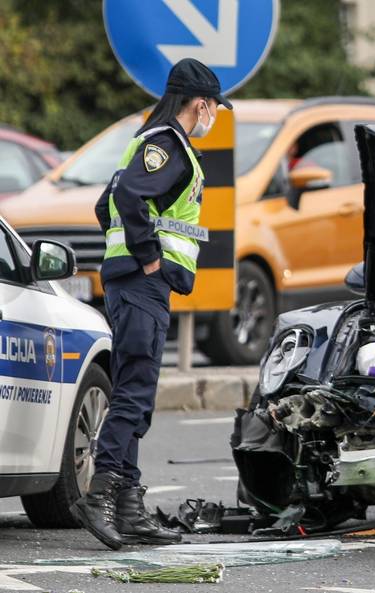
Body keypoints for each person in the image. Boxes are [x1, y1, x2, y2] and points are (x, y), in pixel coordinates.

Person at [71, 58, 231, 550]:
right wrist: (148, 261)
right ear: (199, 104)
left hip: (136, 286)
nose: (214, 118)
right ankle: (99, 497)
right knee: (134, 393)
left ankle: (129, 507)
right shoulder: (169, 146)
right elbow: (129, 199)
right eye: (213, 109)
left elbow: (107, 204)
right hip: (142, 286)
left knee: (135, 391)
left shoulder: (150, 142)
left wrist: (136, 261)